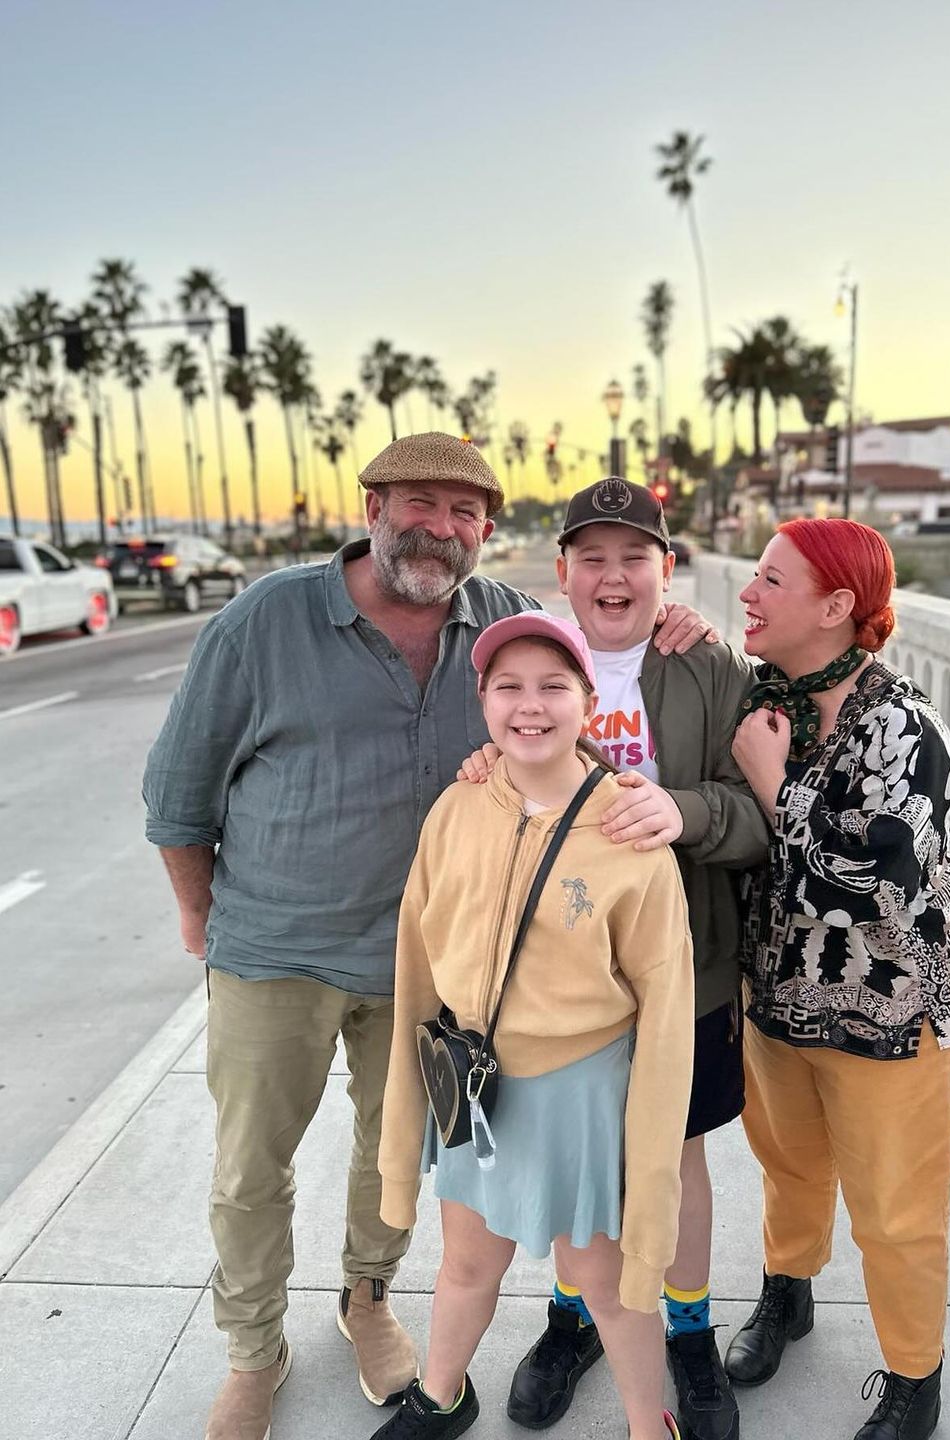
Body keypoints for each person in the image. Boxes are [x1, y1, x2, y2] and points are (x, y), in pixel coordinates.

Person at [141, 432, 716, 1440]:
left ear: (486, 532)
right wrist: (201, 916)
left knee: (390, 1154)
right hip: (278, 948)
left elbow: (578, 676)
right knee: (249, 1166)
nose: (438, 528)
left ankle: (367, 1302)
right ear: (371, 507)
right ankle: (251, 1349)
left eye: (463, 514)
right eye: (418, 503)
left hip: (435, 981)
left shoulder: (498, 620)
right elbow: (179, 790)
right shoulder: (269, 619)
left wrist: (679, 622)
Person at [459, 477, 769, 1440]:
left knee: (675, 1160)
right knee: (572, 1157)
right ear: (561, 572)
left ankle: (686, 1333)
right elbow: (500, 771)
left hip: (689, 964)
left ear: (665, 570)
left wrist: (686, 811)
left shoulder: (711, 665)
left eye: (634, 556)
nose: (613, 575)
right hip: (559, 982)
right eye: (591, 556)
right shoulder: (538, 662)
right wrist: (485, 774)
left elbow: (761, 815)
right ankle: (575, 1319)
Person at [374, 612, 696, 1440]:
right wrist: (406, 1114)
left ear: (590, 700)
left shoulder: (629, 830)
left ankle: (645, 1425)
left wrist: (651, 1156)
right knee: (468, 1262)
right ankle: (440, 1395)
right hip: (478, 1083)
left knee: (608, 1283)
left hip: (579, 1087)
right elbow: (417, 953)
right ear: (481, 700)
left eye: (553, 686)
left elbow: (664, 1007)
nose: (530, 706)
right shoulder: (457, 809)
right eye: (507, 686)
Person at [726, 517, 950, 1440]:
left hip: (891, 1009)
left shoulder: (904, 724)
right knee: (788, 1164)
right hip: (779, 996)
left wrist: (773, 783)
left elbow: (881, 883)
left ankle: (915, 1377)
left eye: (771, 581)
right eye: (751, 575)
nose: (748, 594)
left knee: (897, 1209)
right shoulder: (766, 695)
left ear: (835, 606)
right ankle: (787, 1295)